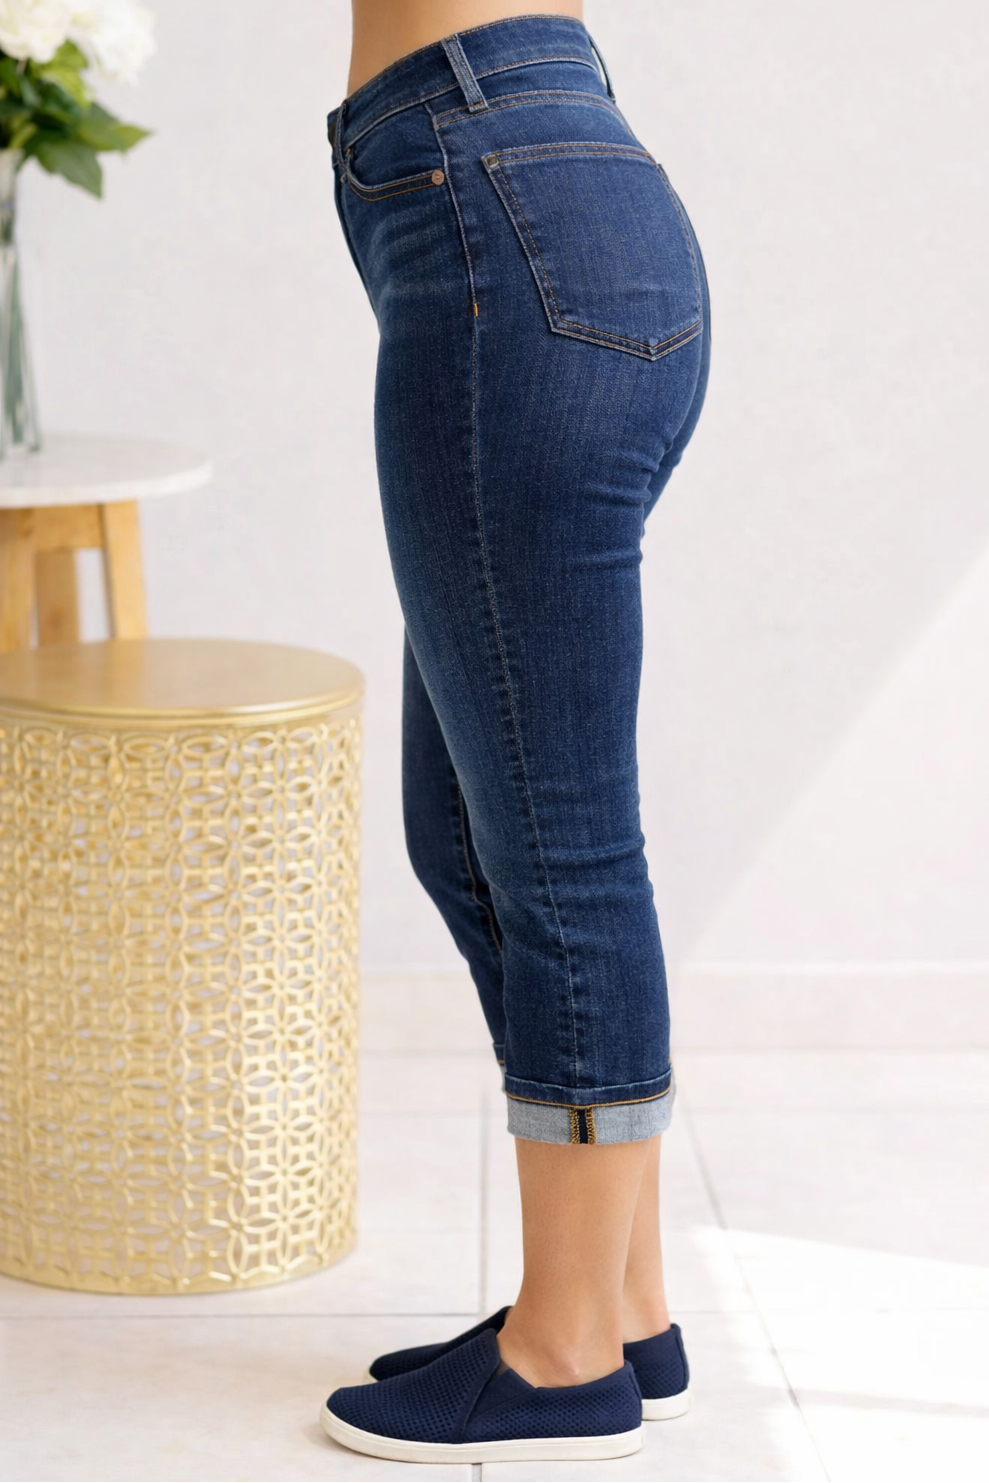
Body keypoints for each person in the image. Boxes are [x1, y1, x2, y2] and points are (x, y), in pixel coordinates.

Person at [321, 1, 710, 1464]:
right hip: (544, 182)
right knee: (475, 838)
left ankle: (560, 1358)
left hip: (490, 193)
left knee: (555, 847)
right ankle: (624, 1302)